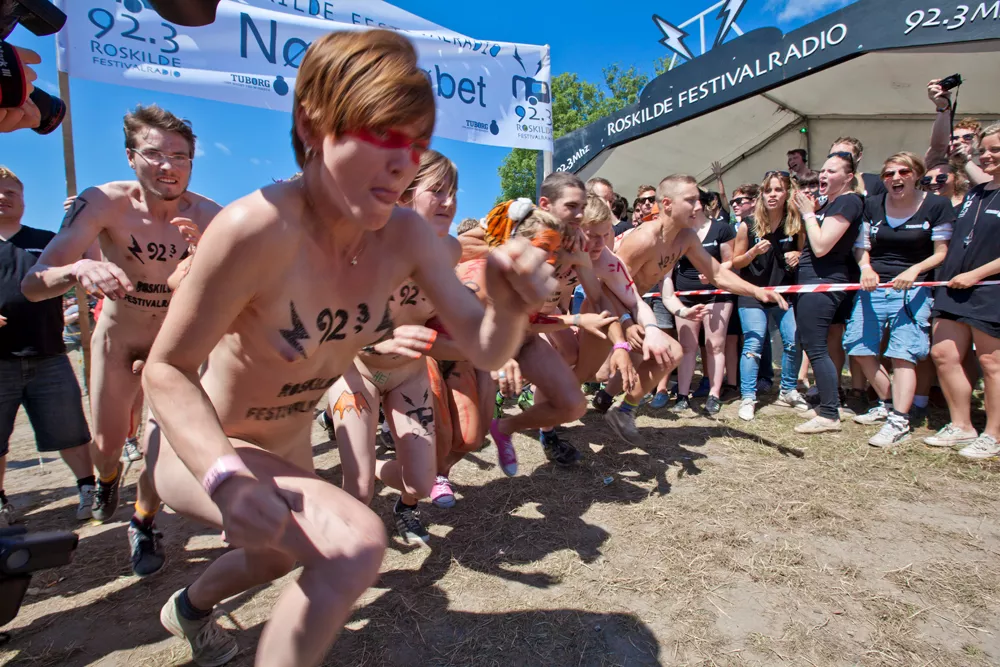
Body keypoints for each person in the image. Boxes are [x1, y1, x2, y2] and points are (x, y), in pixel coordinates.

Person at [140, 29, 555, 667]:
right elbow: (165, 371)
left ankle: (189, 610)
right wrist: (224, 477)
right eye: (384, 136)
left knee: (275, 555)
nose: (404, 163)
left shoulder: (406, 235)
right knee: (355, 541)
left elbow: (486, 348)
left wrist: (509, 302)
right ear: (314, 126)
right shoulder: (255, 228)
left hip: (287, 448)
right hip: (203, 444)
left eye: (417, 144)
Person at [22, 104, 218, 577]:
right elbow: (33, 283)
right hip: (119, 340)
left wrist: (207, 260)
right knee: (108, 442)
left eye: (179, 156)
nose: (168, 166)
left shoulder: (211, 215)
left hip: (173, 349)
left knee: (159, 447)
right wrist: (78, 268)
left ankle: (143, 521)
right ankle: (107, 478)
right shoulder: (105, 202)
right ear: (131, 157)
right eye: (154, 154)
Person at [329, 149, 464, 544]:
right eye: (437, 191)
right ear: (404, 195)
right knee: (358, 489)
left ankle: (396, 497)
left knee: (421, 483)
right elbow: (328, 320)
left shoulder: (450, 251)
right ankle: (343, 551)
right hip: (355, 369)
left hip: (409, 374)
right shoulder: (363, 244)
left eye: (453, 192)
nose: (449, 202)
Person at [596, 174, 787, 423]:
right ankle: (566, 411)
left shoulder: (685, 237)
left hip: (632, 308)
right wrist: (626, 322)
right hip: (606, 309)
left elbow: (716, 273)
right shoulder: (644, 238)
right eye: (690, 200)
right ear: (667, 204)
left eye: (699, 200)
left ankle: (618, 409)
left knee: (668, 352)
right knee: (592, 371)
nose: (698, 206)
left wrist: (757, 291)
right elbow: (607, 288)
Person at [488, 172, 612, 470]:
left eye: (582, 207)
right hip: (483, 339)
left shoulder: (572, 245)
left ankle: (507, 428)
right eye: (572, 206)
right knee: (465, 438)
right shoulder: (517, 242)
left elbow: (596, 297)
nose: (579, 215)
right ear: (545, 204)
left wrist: (616, 340)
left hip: (528, 331)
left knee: (574, 405)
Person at [0, 166, 97, 526]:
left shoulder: (46, 240)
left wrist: (84, 221)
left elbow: (89, 262)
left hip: (48, 353)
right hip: (0, 359)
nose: (4, 197)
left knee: (71, 429)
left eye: (11, 192)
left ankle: (89, 488)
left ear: (23, 199)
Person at [845, 152, 954, 447]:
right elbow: (862, 247)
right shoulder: (872, 204)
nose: (895, 178)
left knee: (902, 354)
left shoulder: (936, 205)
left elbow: (941, 252)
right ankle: (889, 402)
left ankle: (899, 420)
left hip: (914, 289)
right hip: (873, 286)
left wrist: (915, 270)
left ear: (916, 174)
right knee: (858, 345)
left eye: (903, 172)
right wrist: (865, 268)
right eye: (889, 173)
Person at [925, 122, 1000, 458]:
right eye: (984, 150)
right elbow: (945, 156)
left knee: (991, 363)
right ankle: (961, 425)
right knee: (943, 354)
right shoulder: (977, 191)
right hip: (954, 285)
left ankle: (994, 434)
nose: (987, 156)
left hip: (988, 288)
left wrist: (976, 275)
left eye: (995, 150)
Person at [791, 152, 865, 433]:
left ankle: (830, 414)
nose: (823, 175)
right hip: (813, 280)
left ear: (849, 177)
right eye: (823, 170)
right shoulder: (831, 203)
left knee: (816, 347)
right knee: (813, 344)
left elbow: (821, 246)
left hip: (823, 281)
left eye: (832, 171)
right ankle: (829, 405)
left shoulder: (849, 201)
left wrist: (808, 213)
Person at [731, 171, 808, 421]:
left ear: (787, 193)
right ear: (761, 195)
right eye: (768, 190)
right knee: (753, 344)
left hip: (783, 293)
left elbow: (806, 252)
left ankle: (788, 390)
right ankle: (748, 397)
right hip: (752, 293)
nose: (772, 195)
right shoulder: (749, 223)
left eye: (778, 190)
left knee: (792, 341)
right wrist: (752, 252)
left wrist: (799, 255)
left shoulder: (794, 223)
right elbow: (736, 261)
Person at [669, 190, 736, 416]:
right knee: (687, 346)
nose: (690, 205)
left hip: (717, 294)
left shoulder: (722, 228)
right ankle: (682, 397)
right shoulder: (679, 232)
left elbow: (729, 261)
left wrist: (713, 273)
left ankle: (714, 395)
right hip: (685, 294)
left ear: (703, 204)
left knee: (715, 345)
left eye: (693, 200)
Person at [925, 78, 991, 188]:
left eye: (967, 137)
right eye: (954, 138)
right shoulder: (939, 163)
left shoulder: (989, 164)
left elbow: (990, 187)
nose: (960, 141)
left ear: (979, 142)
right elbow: (938, 146)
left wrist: (966, 161)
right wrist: (943, 108)